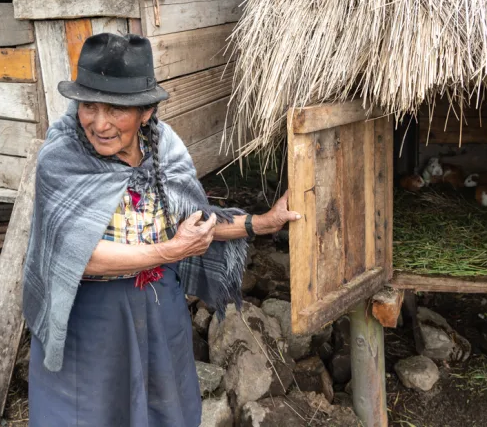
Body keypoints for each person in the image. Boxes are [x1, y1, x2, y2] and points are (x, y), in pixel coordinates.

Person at [22, 33, 300, 427]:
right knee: (87, 415)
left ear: (146, 111)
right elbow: (78, 258)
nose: (99, 123)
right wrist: (171, 252)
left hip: (158, 312)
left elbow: (193, 223)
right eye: (88, 105)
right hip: (89, 321)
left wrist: (262, 222)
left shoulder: (164, 147)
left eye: (115, 110)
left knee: (163, 412)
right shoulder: (62, 158)